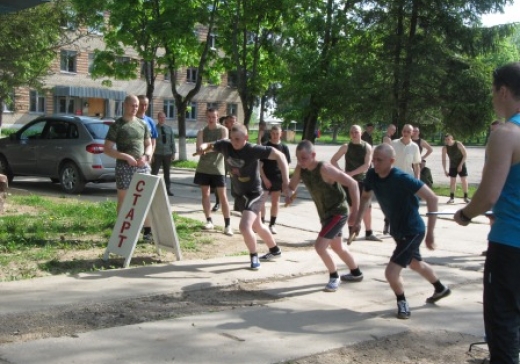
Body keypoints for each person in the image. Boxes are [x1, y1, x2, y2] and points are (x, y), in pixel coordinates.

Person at [454, 62, 520, 364]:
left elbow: (488, 195)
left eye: (494, 92)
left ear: (503, 91)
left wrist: (466, 214)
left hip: (510, 247)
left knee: (503, 326)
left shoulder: (507, 133)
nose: (493, 98)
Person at [358, 143, 450, 319]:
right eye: (373, 159)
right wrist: (358, 221)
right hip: (398, 230)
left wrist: (431, 233)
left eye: (379, 160)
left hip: (412, 230)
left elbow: (432, 198)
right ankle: (440, 288)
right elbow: (365, 197)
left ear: (391, 161)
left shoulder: (401, 178)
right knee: (415, 263)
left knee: (391, 272)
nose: (375, 163)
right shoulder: (372, 175)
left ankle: (402, 303)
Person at [203, 124, 289, 270]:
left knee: (244, 226)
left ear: (246, 138)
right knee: (257, 226)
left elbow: (280, 155)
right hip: (240, 194)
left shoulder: (253, 149)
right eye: (232, 138)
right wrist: (203, 147)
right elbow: (210, 146)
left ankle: (254, 256)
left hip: (255, 193)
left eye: (237, 139)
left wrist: (286, 182)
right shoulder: (225, 145)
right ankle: (275, 250)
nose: (234, 142)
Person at [288, 140, 364, 292]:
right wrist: (289, 193)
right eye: (298, 158)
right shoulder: (301, 169)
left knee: (320, 246)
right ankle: (356, 273)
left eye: (304, 158)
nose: (301, 161)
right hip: (325, 214)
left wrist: (355, 212)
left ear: (313, 155)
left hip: (337, 212)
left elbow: (353, 184)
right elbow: (291, 186)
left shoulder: (325, 168)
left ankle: (334, 276)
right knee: (337, 246)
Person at [104, 95, 154, 241]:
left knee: (145, 199)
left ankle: (147, 231)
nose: (135, 108)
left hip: (142, 167)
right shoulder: (117, 125)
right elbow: (107, 149)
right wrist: (126, 157)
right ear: (125, 106)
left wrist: (146, 156)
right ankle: (122, 231)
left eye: (137, 106)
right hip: (124, 168)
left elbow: (149, 144)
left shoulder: (143, 124)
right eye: (132, 105)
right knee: (124, 200)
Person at [331, 125, 381, 241]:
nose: (354, 134)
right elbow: (333, 160)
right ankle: (351, 232)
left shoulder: (367, 147)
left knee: (367, 208)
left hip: (363, 181)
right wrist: (342, 173)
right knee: (353, 207)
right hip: (349, 182)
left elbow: (366, 165)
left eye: (356, 132)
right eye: (352, 132)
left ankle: (369, 232)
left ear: (361, 133)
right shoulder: (346, 147)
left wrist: (351, 173)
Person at [194, 108, 232, 236]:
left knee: (223, 196)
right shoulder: (201, 132)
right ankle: (209, 220)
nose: (211, 119)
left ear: (217, 117)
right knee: (205, 194)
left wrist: (207, 146)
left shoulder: (223, 130)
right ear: (206, 117)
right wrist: (204, 148)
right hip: (204, 167)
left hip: (218, 168)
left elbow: (222, 144)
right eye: (209, 117)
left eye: (213, 117)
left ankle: (227, 225)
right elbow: (199, 149)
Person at [260, 125, 291, 234]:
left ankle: (272, 224)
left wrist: (285, 181)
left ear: (281, 134)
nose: (274, 136)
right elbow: (260, 165)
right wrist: (264, 179)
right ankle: (261, 223)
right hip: (265, 178)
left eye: (277, 133)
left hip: (278, 178)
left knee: (275, 202)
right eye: (273, 133)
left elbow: (286, 165)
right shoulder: (265, 146)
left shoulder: (284, 148)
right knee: (261, 202)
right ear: (270, 134)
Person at [151, 111, 176, 196]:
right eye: (161, 117)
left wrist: (173, 153)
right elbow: (151, 142)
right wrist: (152, 155)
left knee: (167, 172)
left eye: (164, 117)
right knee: (154, 172)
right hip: (157, 154)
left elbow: (172, 141)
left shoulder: (169, 128)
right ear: (158, 118)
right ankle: (151, 190)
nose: (162, 119)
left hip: (167, 153)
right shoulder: (154, 128)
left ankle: (167, 189)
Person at [442, 134, 470, 204]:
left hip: (461, 163)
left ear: (452, 138)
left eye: (448, 139)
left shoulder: (458, 144)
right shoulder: (445, 148)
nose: (447, 141)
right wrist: (445, 170)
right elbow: (443, 159)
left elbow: (465, 155)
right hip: (453, 165)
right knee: (452, 181)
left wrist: (460, 165)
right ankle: (452, 198)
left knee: (464, 179)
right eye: (446, 140)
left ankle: (466, 197)